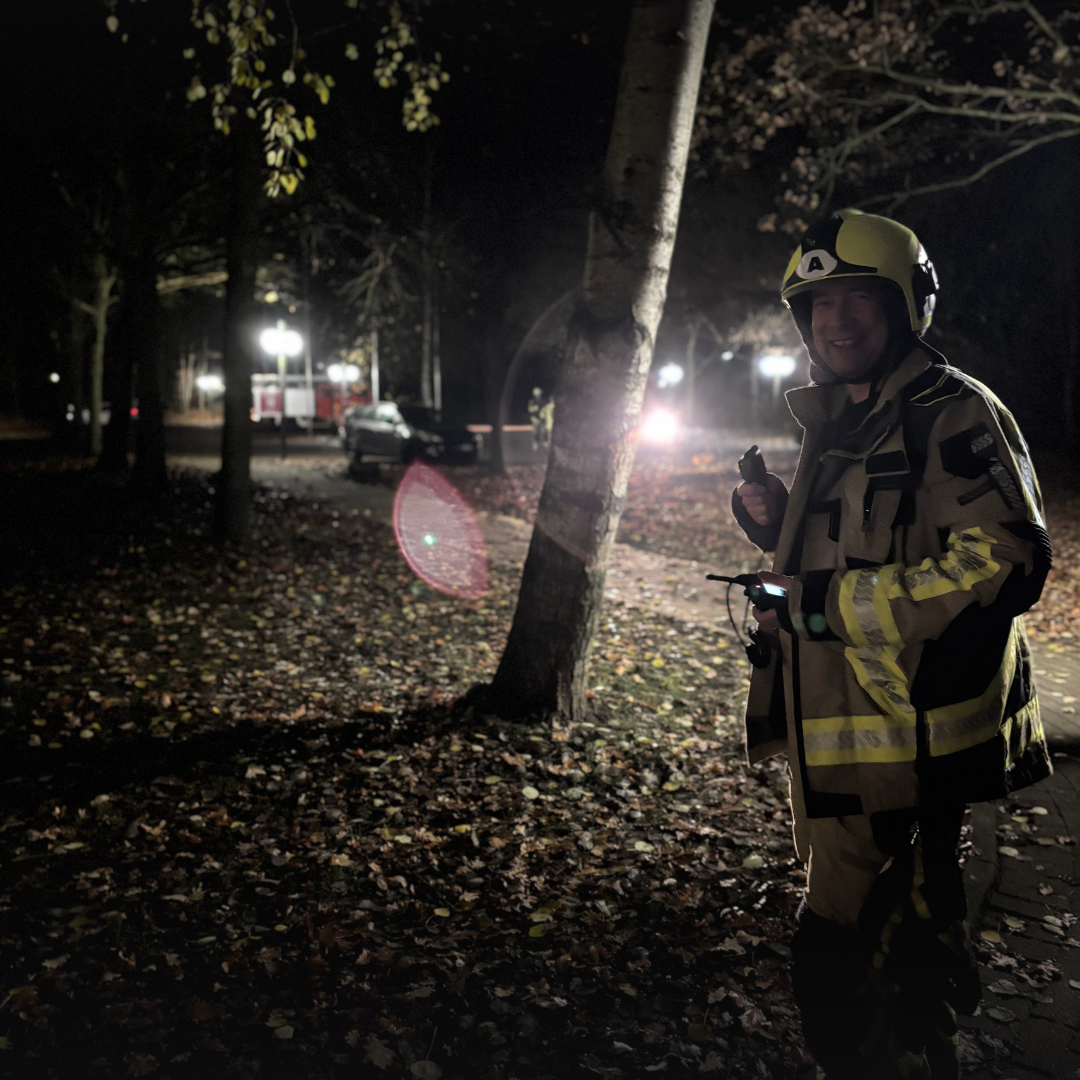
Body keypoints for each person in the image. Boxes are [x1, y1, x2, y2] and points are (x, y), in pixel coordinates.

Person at [730, 209, 1052, 1080]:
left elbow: (1008, 560)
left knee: (845, 969)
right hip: (839, 743)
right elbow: (869, 542)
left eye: (858, 300)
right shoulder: (843, 418)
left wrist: (833, 603)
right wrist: (777, 527)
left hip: (908, 750)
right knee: (901, 969)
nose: (835, 321)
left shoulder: (954, 416)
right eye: (817, 306)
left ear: (907, 303)